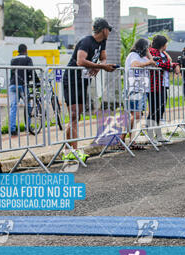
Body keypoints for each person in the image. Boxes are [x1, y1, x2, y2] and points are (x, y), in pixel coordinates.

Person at [62, 18, 117, 161]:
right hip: (72, 80)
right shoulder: (86, 41)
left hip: (83, 81)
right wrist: (101, 67)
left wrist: (100, 65)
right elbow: (80, 61)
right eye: (108, 29)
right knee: (73, 115)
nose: (110, 32)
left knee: (77, 116)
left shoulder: (102, 42)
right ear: (103, 30)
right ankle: (73, 150)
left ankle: (68, 149)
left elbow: (103, 58)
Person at [123, 38, 155, 149]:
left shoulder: (144, 57)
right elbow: (134, 65)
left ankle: (131, 140)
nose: (148, 50)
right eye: (147, 48)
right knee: (135, 115)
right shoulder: (133, 55)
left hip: (141, 89)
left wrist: (149, 55)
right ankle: (122, 139)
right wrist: (148, 61)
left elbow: (153, 63)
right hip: (133, 88)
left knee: (137, 116)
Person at [147, 35, 180, 143]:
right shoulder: (151, 51)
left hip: (163, 85)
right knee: (153, 111)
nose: (167, 45)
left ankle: (159, 135)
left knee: (160, 111)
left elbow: (166, 64)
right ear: (162, 43)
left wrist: (174, 65)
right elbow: (157, 64)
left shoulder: (164, 53)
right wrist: (172, 66)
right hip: (154, 85)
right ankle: (150, 136)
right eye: (166, 43)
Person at [8, 44, 36, 136]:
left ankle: (12, 129)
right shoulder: (28, 59)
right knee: (28, 105)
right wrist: (37, 82)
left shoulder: (13, 60)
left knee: (13, 107)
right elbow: (31, 71)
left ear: (18, 51)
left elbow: (12, 73)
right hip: (23, 85)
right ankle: (27, 126)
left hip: (12, 85)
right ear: (26, 50)